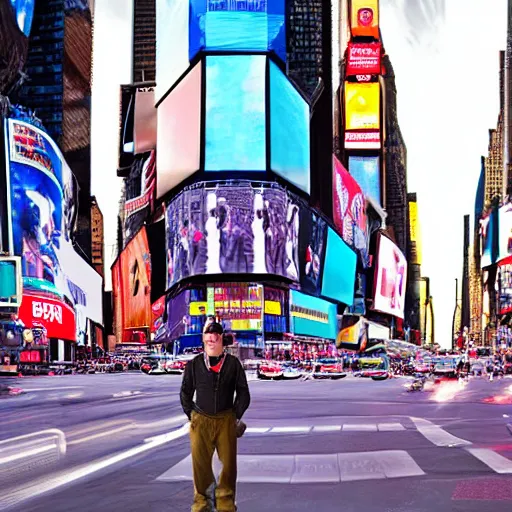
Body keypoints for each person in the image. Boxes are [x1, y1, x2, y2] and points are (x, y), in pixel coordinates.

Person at [180, 321, 251, 512]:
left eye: (216, 337)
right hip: (200, 420)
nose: (212, 340)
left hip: (225, 419)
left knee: (228, 467)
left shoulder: (233, 364)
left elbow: (244, 393)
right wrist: (192, 415)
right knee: (200, 466)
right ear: (203, 339)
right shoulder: (194, 364)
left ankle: (226, 504)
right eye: (208, 337)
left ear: (222, 340)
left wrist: (235, 415)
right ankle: (202, 504)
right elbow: (185, 392)